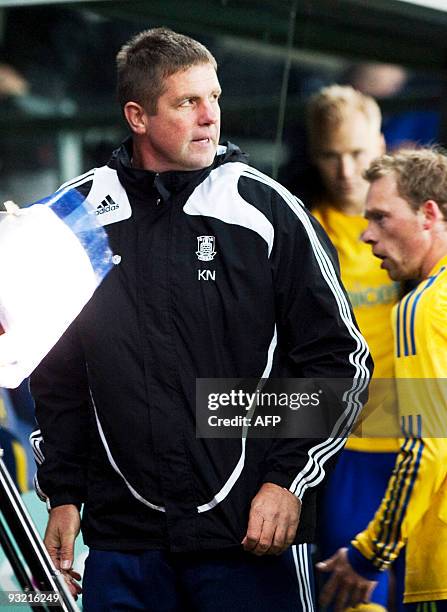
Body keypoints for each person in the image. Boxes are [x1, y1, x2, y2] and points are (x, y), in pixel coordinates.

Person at [30, 28, 371, 611]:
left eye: (213, 97)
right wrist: (63, 493)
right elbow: (55, 370)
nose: (210, 117)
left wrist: (286, 481)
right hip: (122, 541)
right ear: (137, 116)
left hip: (250, 535)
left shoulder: (268, 211)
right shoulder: (74, 217)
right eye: (188, 102)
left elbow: (339, 362)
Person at [318, 147, 447, 610]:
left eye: (381, 218)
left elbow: (426, 446)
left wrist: (369, 554)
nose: (367, 235)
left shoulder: (421, 307)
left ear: (428, 214)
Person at [307, 85, 400, 610]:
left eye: (359, 154)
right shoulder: (305, 231)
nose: (346, 170)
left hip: (424, 438)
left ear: (382, 145)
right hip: (347, 447)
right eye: (330, 154)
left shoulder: (425, 225)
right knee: (352, 596)